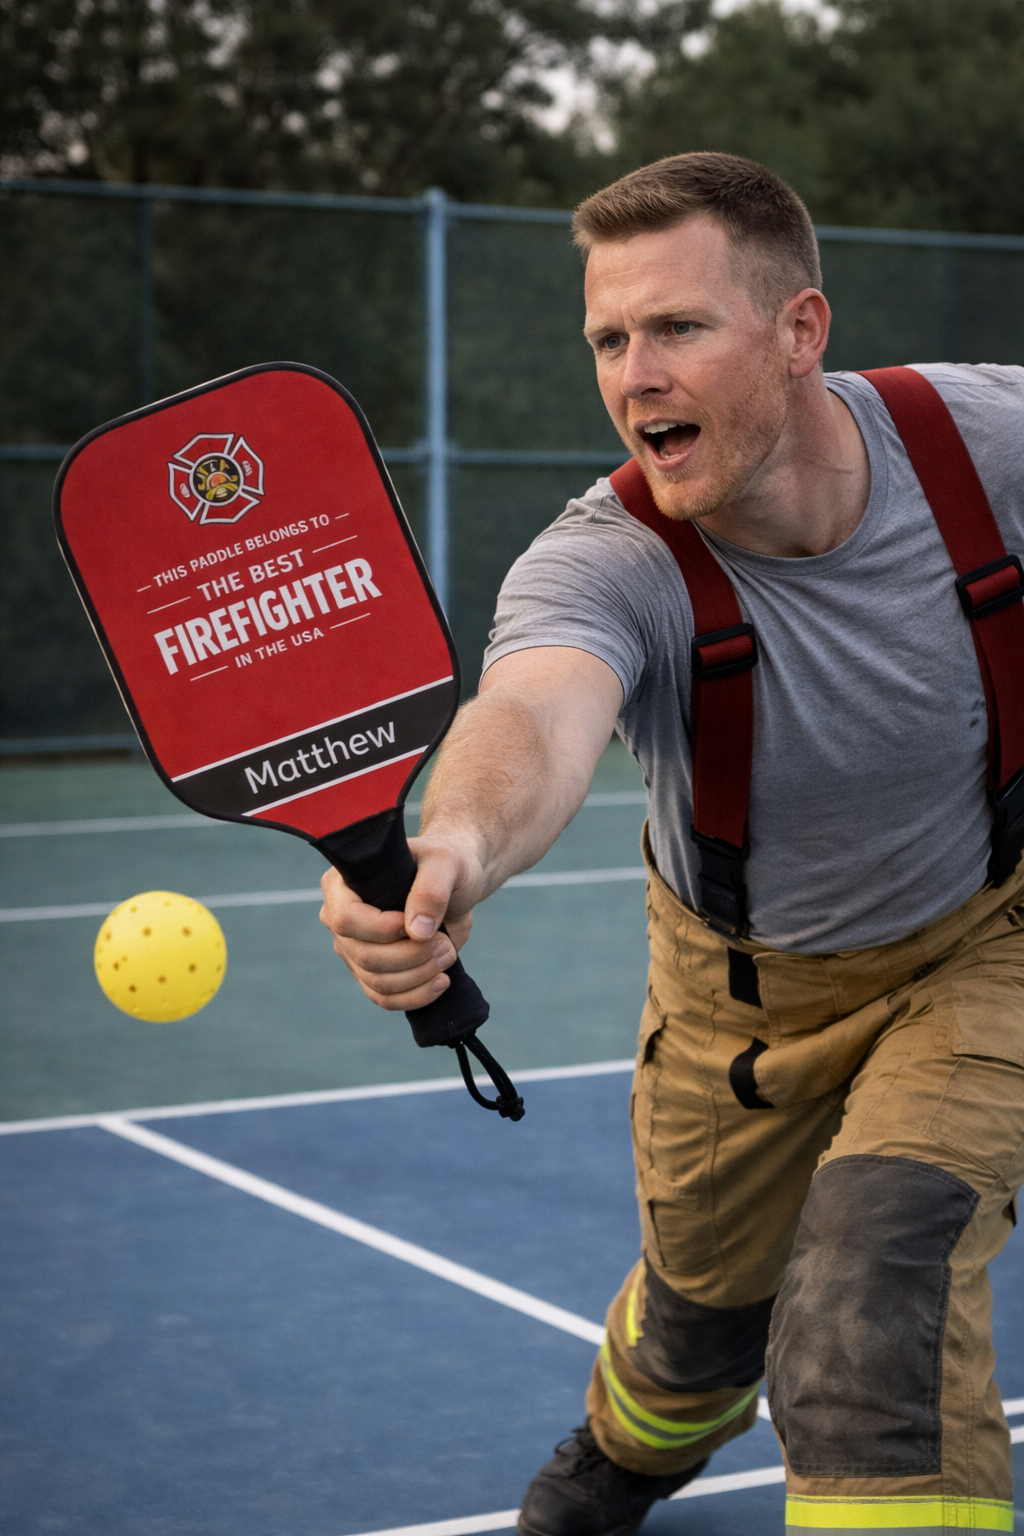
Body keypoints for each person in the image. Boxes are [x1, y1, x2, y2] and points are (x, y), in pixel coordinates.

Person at [319, 152, 1024, 1536]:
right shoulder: (604, 559)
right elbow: (532, 714)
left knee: (873, 1273)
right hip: (736, 997)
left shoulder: (988, 446)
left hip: (987, 948)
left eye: (678, 328)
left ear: (800, 330)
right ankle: (629, 1452)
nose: (635, 375)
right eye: (609, 338)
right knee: (698, 1330)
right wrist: (453, 847)